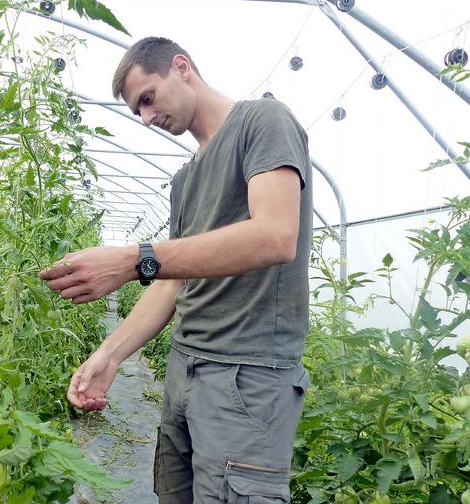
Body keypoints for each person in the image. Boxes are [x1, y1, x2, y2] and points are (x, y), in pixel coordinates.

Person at [39, 36, 313, 504]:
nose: (148, 118)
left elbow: (274, 235)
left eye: (148, 98)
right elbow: (174, 282)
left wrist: (132, 259)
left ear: (181, 67)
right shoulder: (185, 178)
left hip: (246, 379)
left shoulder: (262, 121)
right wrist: (109, 355)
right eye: (136, 111)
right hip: (184, 368)